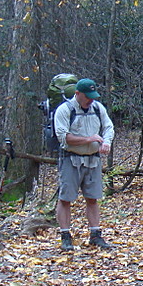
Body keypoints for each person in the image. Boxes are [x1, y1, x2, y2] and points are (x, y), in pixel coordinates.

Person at [55, 78, 115, 251]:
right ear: (77, 94)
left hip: (93, 159)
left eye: (93, 96)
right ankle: (66, 236)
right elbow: (64, 138)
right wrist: (90, 139)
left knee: (93, 198)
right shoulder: (64, 111)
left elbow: (108, 127)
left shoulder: (97, 108)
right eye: (87, 96)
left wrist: (107, 142)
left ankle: (95, 235)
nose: (91, 99)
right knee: (65, 198)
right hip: (70, 159)